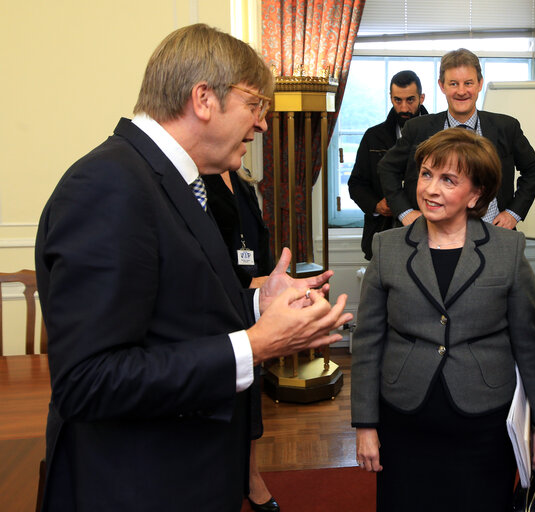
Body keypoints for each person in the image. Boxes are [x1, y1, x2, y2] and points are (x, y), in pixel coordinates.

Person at [35, 24, 353, 512]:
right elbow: (89, 381)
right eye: (254, 105)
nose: (263, 124)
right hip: (136, 488)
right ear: (203, 98)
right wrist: (258, 344)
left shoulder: (178, 182)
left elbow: (173, 306)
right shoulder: (109, 185)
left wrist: (256, 303)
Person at [352, 128, 535, 511]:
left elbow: (528, 343)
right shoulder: (388, 246)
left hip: (483, 422)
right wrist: (365, 425)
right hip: (405, 416)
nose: (431, 189)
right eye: (426, 175)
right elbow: (367, 342)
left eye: (448, 180)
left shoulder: (506, 249)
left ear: (476, 194)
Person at [377, 48, 535, 230]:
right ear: (442, 86)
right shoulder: (418, 128)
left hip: (492, 233)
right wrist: (405, 212)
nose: (462, 91)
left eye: (468, 83)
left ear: (480, 84)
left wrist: (513, 213)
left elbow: (534, 168)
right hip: (432, 234)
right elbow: (387, 168)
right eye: (454, 84)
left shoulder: (506, 127)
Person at [203, 168, 279, 511]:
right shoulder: (196, 180)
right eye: (253, 110)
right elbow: (205, 253)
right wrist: (247, 284)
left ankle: (250, 474)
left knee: (250, 391)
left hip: (251, 301)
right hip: (220, 301)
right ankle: (225, 477)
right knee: (224, 395)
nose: (258, 125)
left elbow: (256, 241)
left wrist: (266, 282)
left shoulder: (242, 180)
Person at [348, 70, 428, 260]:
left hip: (427, 232)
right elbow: (356, 184)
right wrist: (376, 206)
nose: (404, 108)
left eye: (410, 100)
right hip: (382, 231)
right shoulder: (373, 136)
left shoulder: (439, 134)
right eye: (397, 100)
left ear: (421, 98)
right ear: (390, 98)